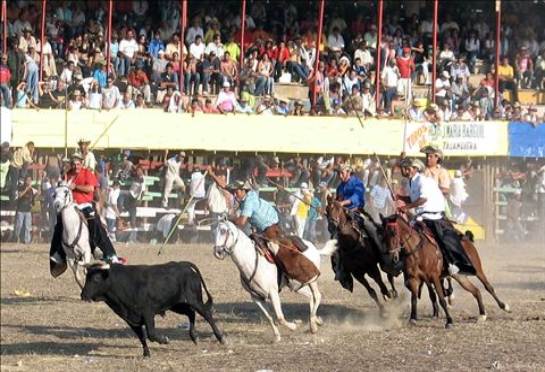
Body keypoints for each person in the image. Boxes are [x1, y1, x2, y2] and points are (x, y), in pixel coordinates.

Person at [208, 169, 319, 283]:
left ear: (243, 190)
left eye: (237, 191)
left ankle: (290, 276)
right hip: (263, 227)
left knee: (277, 250)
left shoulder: (248, 202)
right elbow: (224, 186)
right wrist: (212, 174)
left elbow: (241, 222)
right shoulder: (243, 194)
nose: (235, 194)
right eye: (234, 191)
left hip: (270, 226)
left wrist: (230, 218)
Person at [395, 158, 474, 275]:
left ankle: (453, 263)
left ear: (411, 169)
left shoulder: (423, 181)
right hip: (420, 216)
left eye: (404, 168)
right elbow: (413, 199)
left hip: (433, 215)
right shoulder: (410, 182)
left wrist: (406, 207)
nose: (402, 171)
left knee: (442, 238)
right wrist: (400, 197)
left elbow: (422, 199)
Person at [50, 153, 125, 276]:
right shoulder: (67, 175)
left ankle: (102, 250)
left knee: (95, 223)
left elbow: (90, 188)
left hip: (85, 205)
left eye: (78, 163)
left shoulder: (87, 173)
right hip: (71, 205)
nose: (76, 166)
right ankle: (59, 253)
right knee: (59, 225)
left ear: (82, 163)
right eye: (73, 164)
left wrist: (75, 187)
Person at [14, 175, 35, 244]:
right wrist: (26, 189)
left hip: (28, 211)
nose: (29, 182)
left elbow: (32, 200)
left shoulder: (31, 190)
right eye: (28, 180)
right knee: (19, 226)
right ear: (25, 181)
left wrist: (32, 204)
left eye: (30, 180)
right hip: (20, 210)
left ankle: (27, 241)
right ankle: (16, 239)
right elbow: (19, 195)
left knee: (27, 227)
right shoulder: (21, 187)